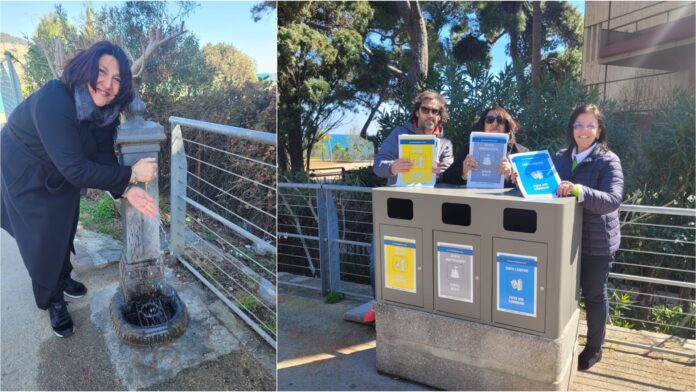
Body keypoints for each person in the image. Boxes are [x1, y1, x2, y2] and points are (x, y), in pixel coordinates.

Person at [1, 41, 159, 338]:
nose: (107, 84)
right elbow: (75, 169)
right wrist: (131, 174)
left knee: (65, 225)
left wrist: (126, 188)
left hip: (62, 168)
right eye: (101, 72)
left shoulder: (103, 112)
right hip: (25, 170)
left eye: (117, 79)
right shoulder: (54, 99)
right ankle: (52, 299)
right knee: (42, 239)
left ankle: (61, 277)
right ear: (85, 68)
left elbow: (101, 155)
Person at [553, 104, 624, 371]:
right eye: (578, 125)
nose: (583, 131)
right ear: (571, 129)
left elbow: (613, 200)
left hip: (596, 243)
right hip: (565, 240)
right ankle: (565, 341)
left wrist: (579, 190)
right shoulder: (560, 157)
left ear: (599, 129)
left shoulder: (608, 160)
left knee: (594, 295)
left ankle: (594, 347)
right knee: (565, 295)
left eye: (590, 125)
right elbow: (544, 187)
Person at [373, 90, 454, 185]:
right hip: (401, 196)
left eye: (434, 111)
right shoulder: (399, 134)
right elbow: (378, 165)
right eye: (425, 109)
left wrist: (439, 174)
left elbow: (448, 175)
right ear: (417, 112)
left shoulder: (445, 144)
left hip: (431, 197)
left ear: (439, 116)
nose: (430, 115)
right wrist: (392, 167)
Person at [442, 104, 528, 186]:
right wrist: (463, 172)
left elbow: (529, 183)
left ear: (506, 125)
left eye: (500, 120)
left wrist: (509, 176)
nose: (495, 123)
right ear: (483, 125)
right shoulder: (469, 149)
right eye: (489, 120)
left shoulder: (521, 152)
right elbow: (446, 177)